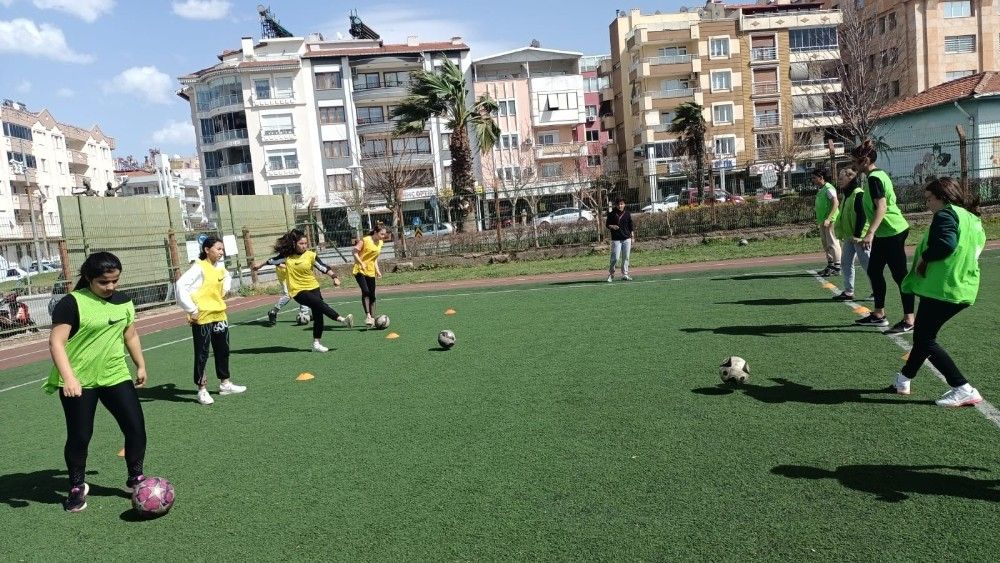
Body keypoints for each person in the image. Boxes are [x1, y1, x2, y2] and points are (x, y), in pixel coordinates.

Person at [45, 252, 150, 512]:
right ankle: (76, 486)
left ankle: (135, 478)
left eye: (115, 281)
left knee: (136, 429)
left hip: (115, 375)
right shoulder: (72, 303)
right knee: (80, 436)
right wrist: (69, 378)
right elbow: (56, 342)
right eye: (104, 282)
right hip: (79, 380)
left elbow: (130, 334)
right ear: (89, 278)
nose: (110, 286)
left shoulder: (124, 301)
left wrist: (140, 364)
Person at [891, 177, 986, 406]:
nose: (927, 204)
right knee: (924, 336)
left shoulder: (945, 215)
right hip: (961, 287)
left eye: (929, 199)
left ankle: (962, 387)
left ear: (942, 197)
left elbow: (947, 244)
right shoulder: (971, 218)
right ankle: (904, 379)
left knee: (925, 339)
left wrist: (925, 258)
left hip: (943, 288)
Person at [251, 229, 352, 352]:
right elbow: (271, 261)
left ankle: (316, 344)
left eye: (306, 243)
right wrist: (259, 266)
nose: (304, 246)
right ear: (294, 244)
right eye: (301, 243)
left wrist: (334, 277)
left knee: (318, 315)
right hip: (297, 290)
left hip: (313, 287)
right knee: (319, 303)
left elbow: (323, 267)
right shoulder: (287, 257)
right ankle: (342, 320)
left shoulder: (310, 255)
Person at [852, 139, 915, 334]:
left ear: (865, 161)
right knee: (874, 271)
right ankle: (879, 314)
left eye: (855, 161)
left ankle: (909, 319)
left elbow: (882, 207)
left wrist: (870, 233)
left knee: (900, 276)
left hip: (893, 232)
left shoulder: (874, 179)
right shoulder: (874, 176)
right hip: (884, 233)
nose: (853, 165)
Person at [176, 235, 247, 406]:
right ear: (207, 250)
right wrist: (191, 310)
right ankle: (202, 389)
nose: (221, 252)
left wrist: (225, 289)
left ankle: (225, 384)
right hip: (202, 316)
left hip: (219, 314)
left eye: (222, 249)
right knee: (202, 353)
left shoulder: (220, 268)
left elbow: (226, 277)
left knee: (223, 349)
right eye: (218, 249)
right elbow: (180, 286)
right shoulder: (198, 267)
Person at [832, 167, 870, 301]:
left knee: (867, 264)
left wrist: (858, 235)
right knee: (846, 263)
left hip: (859, 237)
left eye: (841, 178)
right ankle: (849, 292)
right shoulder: (847, 195)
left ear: (850, 177)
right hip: (850, 236)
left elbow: (862, 216)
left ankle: (876, 291)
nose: (839, 181)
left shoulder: (858, 194)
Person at [352, 224, 388, 328]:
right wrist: (361, 263)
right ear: (375, 232)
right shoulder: (365, 240)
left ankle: (373, 318)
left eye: (384, 234)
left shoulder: (380, 243)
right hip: (360, 270)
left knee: (372, 295)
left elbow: (374, 258)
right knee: (366, 292)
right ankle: (368, 316)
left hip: (371, 271)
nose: (383, 236)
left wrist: (377, 270)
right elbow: (354, 252)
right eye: (382, 234)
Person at [811, 169, 841, 276]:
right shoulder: (822, 189)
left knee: (833, 243)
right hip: (823, 222)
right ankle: (830, 265)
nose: (812, 180)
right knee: (826, 244)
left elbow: (835, 203)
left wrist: (829, 218)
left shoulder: (829, 188)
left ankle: (837, 267)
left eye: (814, 178)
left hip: (830, 221)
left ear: (821, 178)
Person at [606, 198, 634, 282]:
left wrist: (632, 236)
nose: (620, 206)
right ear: (616, 205)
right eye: (618, 204)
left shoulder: (627, 214)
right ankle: (611, 274)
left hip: (627, 238)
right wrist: (612, 226)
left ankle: (625, 274)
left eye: (621, 204)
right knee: (615, 258)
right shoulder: (611, 214)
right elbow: (607, 225)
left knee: (626, 257)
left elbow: (630, 225)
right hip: (616, 239)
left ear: (624, 204)